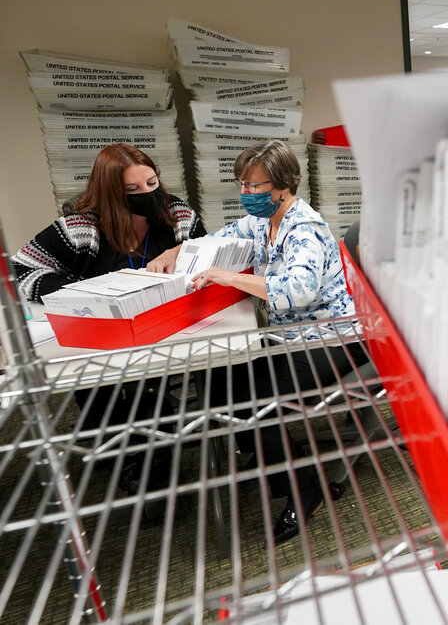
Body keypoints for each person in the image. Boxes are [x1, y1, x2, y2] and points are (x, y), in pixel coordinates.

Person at [148, 139, 363, 544]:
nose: (246, 194)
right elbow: (219, 237)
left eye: (255, 187)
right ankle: (270, 453)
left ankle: (303, 489)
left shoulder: (306, 228)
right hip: (290, 335)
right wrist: (178, 250)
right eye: (242, 185)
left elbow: (297, 290)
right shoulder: (263, 221)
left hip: (331, 337)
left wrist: (229, 278)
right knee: (218, 383)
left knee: (258, 404)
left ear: (283, 185)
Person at [13, 143, 206, 499]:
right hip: (100, 332)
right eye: (132, 190)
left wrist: (182, 251)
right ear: (109, 193)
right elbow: (22, 269)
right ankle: (126, 455)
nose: (147, 194)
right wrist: (80, 292)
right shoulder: (81, 226)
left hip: (161, 327)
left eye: (151, 183)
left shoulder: (177, 215)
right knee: (102, 388)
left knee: (151, 393)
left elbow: (207, 255)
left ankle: (155, 457)